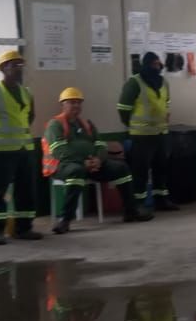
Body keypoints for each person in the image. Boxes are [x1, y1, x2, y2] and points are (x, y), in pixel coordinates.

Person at [45, 87, 151, 234]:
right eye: (71, 102)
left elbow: (101, 145)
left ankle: (131, 211)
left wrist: (98, 160)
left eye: (78, 102)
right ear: (63, 104)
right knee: (76, 172)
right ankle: (65, 220)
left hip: (92, 164)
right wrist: (83, 162)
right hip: (63, 166)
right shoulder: (55, 124)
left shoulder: (87, 124)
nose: (76, 105)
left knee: (121, 168)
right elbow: (59, 151)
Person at [0, 50, 42, 245]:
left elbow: (29, 117)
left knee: (26, 190)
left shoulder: (26, 93)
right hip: (1, 152)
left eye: (20, 65)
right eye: (14, 65)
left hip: (24, 150)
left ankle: (24, 228)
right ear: (3, 68)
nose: (19, 69)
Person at [118, 52, 178, 212]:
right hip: (141, 135)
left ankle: (161, 200)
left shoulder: (163, 82)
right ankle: (139, 203)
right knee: (140, 171)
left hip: (161, 133)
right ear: (146, 64)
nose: (157, 67)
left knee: (161, 168)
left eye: (159, 64)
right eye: (154, 64)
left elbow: (166, 102)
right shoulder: (134, 82)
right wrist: (131, 124)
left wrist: (165, 114)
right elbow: (123, 108)